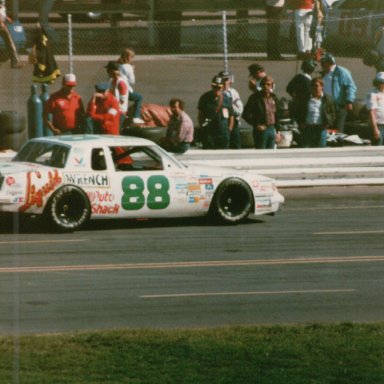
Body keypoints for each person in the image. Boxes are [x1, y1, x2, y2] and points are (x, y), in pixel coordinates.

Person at [320, 52, 357, 133]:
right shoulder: (324, 73)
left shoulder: (341, 71)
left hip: (339, 107)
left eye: (323, 63)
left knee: (338, 131)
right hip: (327, 108)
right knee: (327, 131)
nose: (321, 65)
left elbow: (351, 86)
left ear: (329, 62)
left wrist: (349, 101)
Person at [243, 76, 282, 149]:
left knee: (271, 154)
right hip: (261, 131)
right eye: (263, 84)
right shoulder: (255, 98)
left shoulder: (274, 97)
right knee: (261, 154)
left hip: (272, 129)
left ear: (272, 86)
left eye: (268, 84)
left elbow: (277, 115)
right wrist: (256, 125)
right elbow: (246, 114)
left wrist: (278, 131)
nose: (266, 86)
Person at [198, 75, 234, 149]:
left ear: (222, 87)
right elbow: (200, 115)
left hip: (223, 132)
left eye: (219, 87)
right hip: (209, 132)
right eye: (215, 87)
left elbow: (231, 115)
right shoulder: (205, 97)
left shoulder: (227, 98)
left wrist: (229, 129)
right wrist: (203, 127)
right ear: (212, 86)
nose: (216, 89)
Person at [298, 77, 336, 147]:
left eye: (316, 85)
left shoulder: (327, 99)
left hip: (321, 129)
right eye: (312, 85)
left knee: (320, 152)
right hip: (308, 129)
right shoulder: (305, 98)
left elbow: (333, 113)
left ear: (322, 86)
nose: (314, 87)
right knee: (305, 151)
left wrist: (327, 124)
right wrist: (301, 123)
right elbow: (299, 111)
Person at [117, 48, 145, 125]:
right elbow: (132, 81)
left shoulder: (118, 65)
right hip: (125, 89)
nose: (132, 59)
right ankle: (136, 117)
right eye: (132, 57)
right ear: (128, 57)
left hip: (117, 89)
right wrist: (132, 70)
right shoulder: (128, 67)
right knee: (139, 97)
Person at [286, 59, 317, 124]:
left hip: (297, 105)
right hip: (305, 106)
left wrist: (295, 96)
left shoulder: (298, 77)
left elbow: (288, 89)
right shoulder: (308, 81)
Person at [218, 70, 244, 149]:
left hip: (234, 121)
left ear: (230, 81)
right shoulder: (217, 92)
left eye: (226, 80)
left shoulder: (233, 93)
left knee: (236, 144)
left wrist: (229, 107)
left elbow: (240, 109)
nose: (225, 83)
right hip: (222, 122)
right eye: (223, 80)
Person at [105, 60, 129, 131]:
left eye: (108, 70)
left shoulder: (121, 83)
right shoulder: (111, 80)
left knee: (115, 130)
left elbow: (122, 101)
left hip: (119, 111)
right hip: (112, 109)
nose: (107, 72)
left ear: (113, 71)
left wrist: (113, 108)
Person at [0, 0, 22, 68]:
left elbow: (2, 11)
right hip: (1, 25)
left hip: (2, 23)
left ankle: (14, 62)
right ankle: (15, 63)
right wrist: (1, 22)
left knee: (9, 42)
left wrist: (6, 18)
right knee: (10, 42)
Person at [366, 72, 384, 146]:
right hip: (378, 126)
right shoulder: (372, 93)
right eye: (381, 82)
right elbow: (372, 112)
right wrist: (375, 128)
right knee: (378, 149)